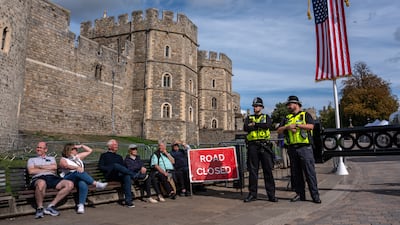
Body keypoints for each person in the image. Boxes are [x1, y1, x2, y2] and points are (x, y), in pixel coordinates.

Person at [277, 95, 321, 204]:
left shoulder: (305, 115)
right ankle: (300, 194)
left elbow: (311, 126)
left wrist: (297, 125)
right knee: (296, 174)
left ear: (296, 104)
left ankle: (315, 195)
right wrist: (287, 127)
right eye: (288, 104)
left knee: (309, 173)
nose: (288, 106)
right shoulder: (286, 118)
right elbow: (278, 130)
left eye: (290, 104)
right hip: (292, 148)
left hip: (304, 147)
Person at [243, 97, 278, 203]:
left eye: (257, 106)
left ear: (261, 107)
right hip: (253, 146)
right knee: (253, 171)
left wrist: (255, 125)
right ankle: (252, 194)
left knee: (268, 171)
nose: (255, 108)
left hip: (264, 146)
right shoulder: (249, 118)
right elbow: (246, 128)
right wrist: (258, 126)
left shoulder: (266, 116)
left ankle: (271, 195)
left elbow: (267, 125)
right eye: (254, 106)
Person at [27, 142, 74, 219]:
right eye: (37, 147)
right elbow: (31, 171)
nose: (38, 149)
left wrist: (38, 167)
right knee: (41, 183)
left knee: (70, 184)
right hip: (38, 178)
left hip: (52, 178)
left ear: (45, 150)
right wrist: (47, 168)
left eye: (40, 148)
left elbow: (54, 168)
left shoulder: (51, 158)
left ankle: (51, 206)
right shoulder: (31, 160)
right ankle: (40, 208)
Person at [59, 143, 108, 214]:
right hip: (68, 178)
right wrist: (76, 167)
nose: (76, 150)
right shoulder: (63, 159)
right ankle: (96, 184)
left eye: (76, 148)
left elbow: (90, 150)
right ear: (69, 150)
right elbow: (66, 166)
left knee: (82, 183)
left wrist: (81, 146)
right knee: (77, 172)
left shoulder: (77, 157)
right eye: (74, 149)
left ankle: (81, 205)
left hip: (78, 178)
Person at [98, 139, 147, 208]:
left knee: (126, 176)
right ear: (109, 146)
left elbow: (123, 168)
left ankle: (128, 201)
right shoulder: (104, 155)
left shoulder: (119, 157)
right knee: (115, 165)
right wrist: (111, 167)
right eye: (115, 145)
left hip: (119, 175)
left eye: (117, 145)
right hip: (110, 175)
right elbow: (101, 167)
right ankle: (134, 175)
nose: (117, 146)